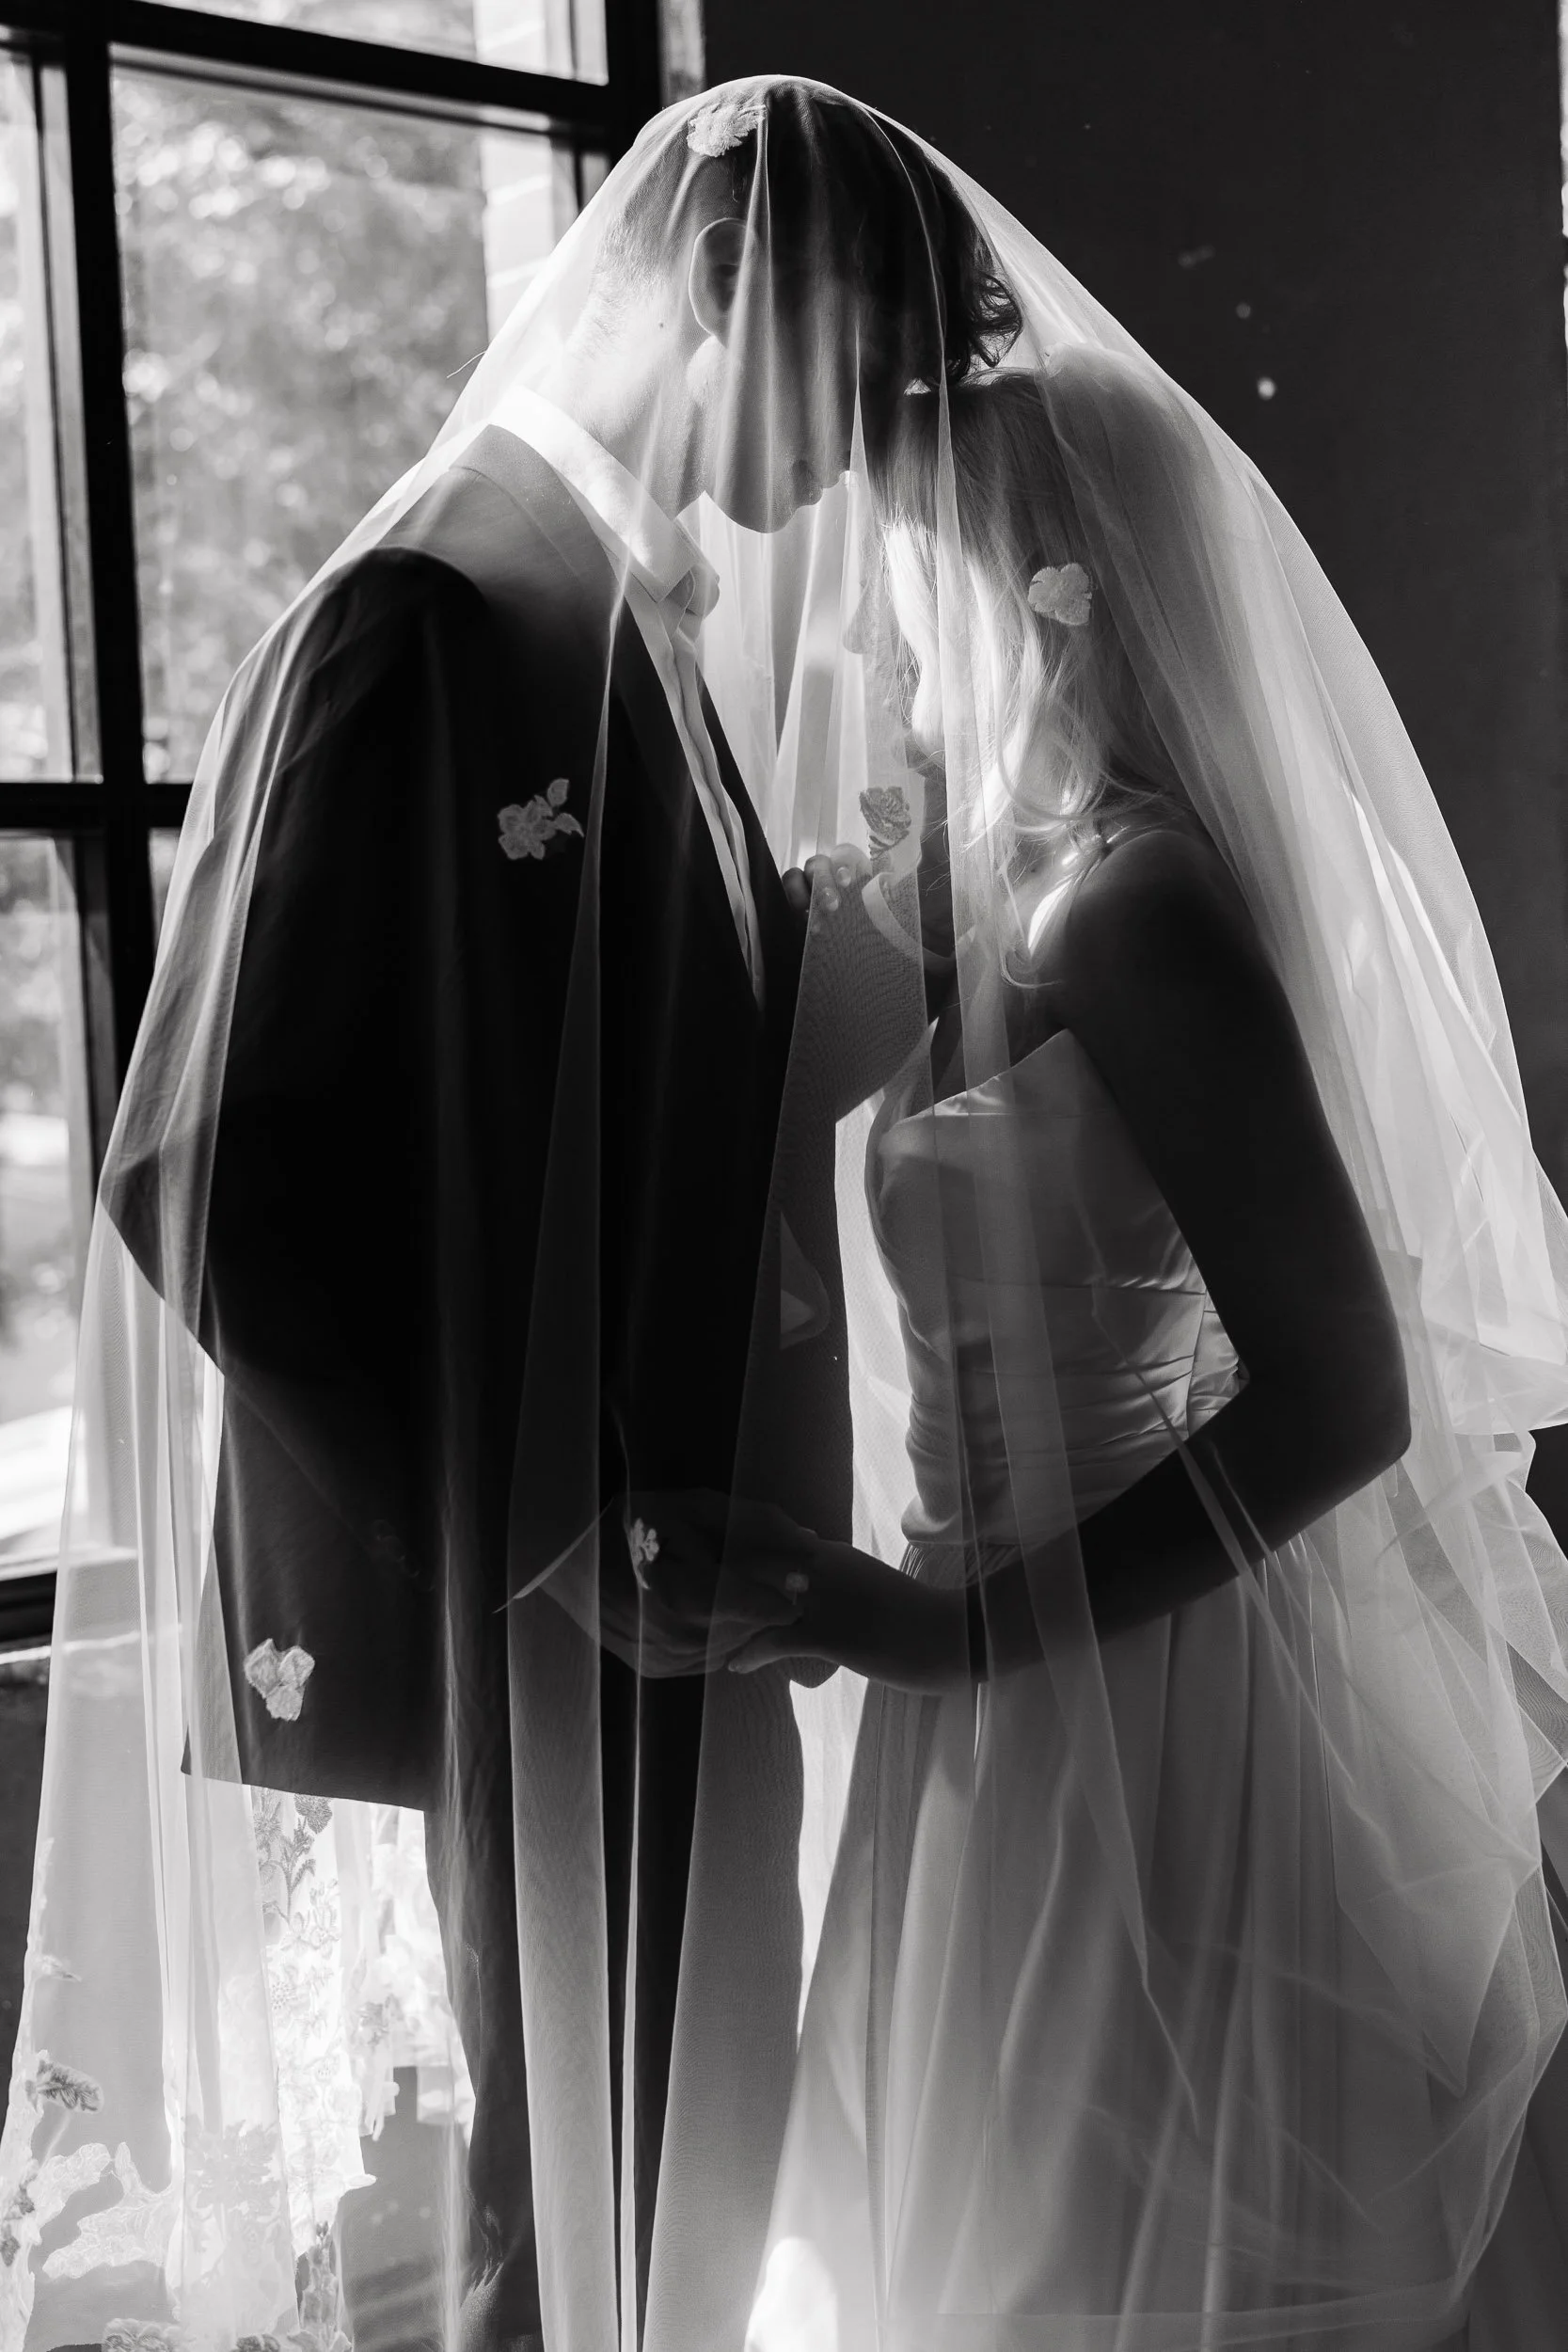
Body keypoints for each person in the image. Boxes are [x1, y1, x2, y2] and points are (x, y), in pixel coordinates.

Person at [5, 75, 1568, 2352]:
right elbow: (204, 1163)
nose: (845, 488)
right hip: (594, 1625)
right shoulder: (448, 609)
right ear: (734, 293)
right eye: (854, 395)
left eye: (904, 472)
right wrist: (553, 1524)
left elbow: (695, 1086)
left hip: (887, 1648)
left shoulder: (720, 672)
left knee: (731, 2227)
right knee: (629, 2238)